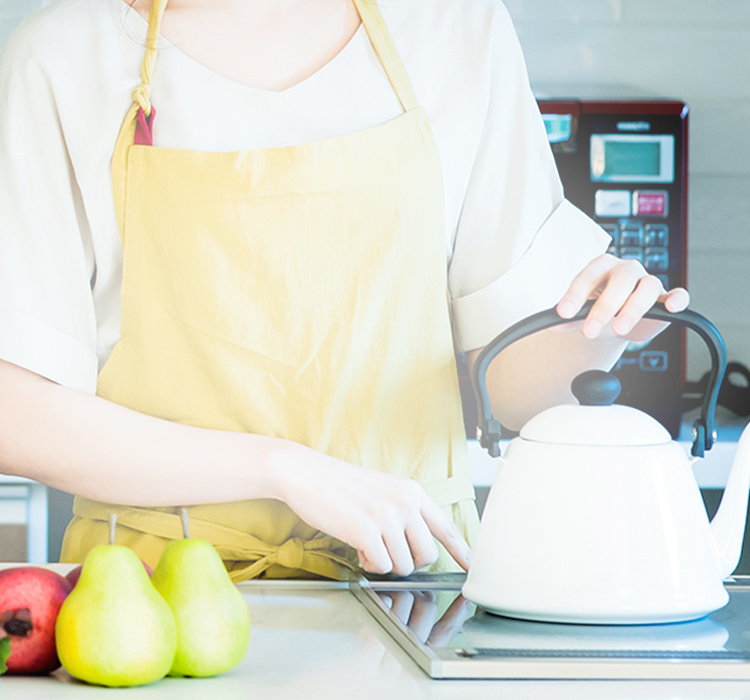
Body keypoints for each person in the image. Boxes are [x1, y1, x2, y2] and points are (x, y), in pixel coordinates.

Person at [0, 0, 688, 580]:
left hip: (412, 592)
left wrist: (604, 329)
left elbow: (511, 390)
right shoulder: (62, 56)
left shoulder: (455, 30)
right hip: (152, 605)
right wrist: (282, 469)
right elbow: (16, 413)